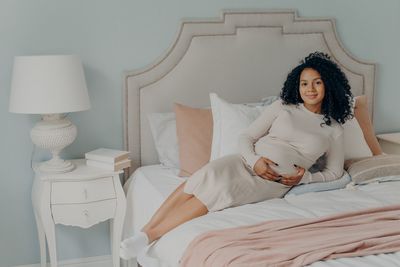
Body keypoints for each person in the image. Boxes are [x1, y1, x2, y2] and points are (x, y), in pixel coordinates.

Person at [120, 52, 354, 260]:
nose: (309, 89)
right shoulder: (282, 107)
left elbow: (334, 172)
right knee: (206, 175)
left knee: (218, 192)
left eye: (317, 83)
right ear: (297, 85)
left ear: (329, 86)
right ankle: (145, 231)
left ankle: (150, 235)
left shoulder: (333, 128)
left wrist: (305, 179)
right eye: (304, 83)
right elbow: (246, 138)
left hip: (271, 181)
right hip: (244, 161)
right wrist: (255, 161)